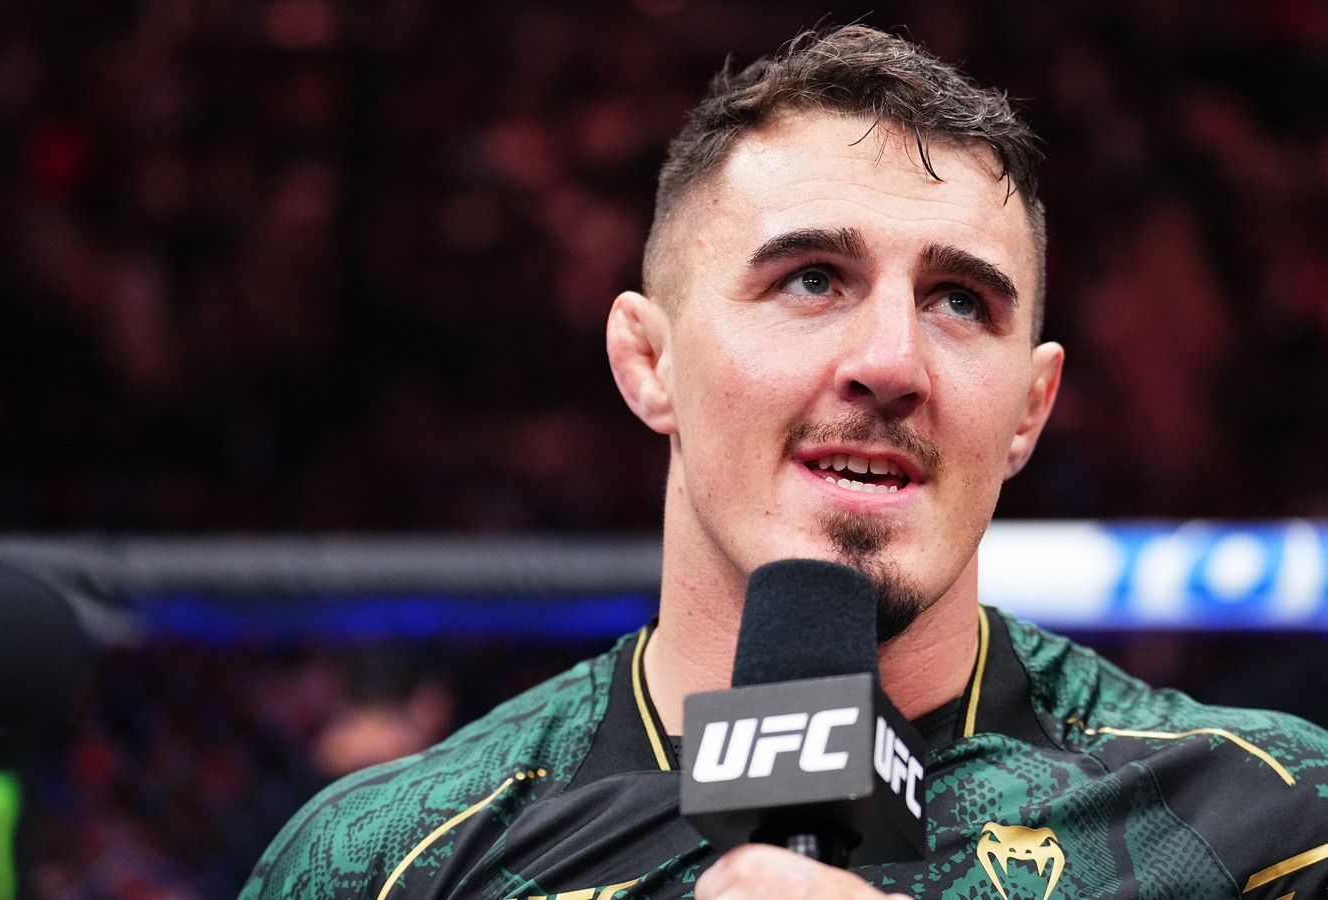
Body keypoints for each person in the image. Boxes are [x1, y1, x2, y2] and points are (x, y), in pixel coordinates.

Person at [241, 25, 1328, 899]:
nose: (891, 362)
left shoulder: (1271, 825)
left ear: (1029, 410)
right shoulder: (388, 861)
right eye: (811, 280)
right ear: (649, 362)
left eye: (960, 302)